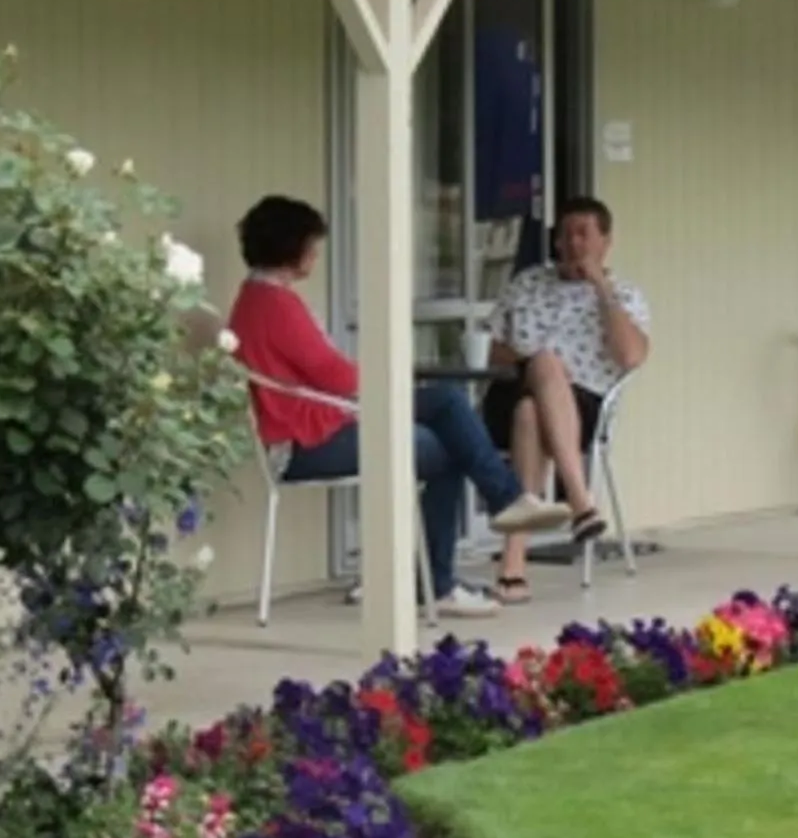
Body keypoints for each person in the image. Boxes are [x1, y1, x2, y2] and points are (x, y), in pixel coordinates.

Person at [228, 195, 570, 619]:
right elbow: (337, 377)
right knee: (446, 448)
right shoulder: (277, 305)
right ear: (290, 247)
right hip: (303, 445)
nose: (316, 255)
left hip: (312, 429)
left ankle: (501, 508)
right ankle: (443, 577)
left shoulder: (253, 298)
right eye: (312, 246)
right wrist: (388, 373)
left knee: (446, 404)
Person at [482, 197, 650, 604]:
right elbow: (493, 352)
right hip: (508, 390)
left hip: (584, 406)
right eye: (565, 234)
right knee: (541, 369)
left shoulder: (624, 295)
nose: (573, 243)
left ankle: (514, 563)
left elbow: (630, 357)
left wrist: (601, 289)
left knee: (530, 413)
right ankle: (580, 501)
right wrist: (535, 361)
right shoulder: (528, 283)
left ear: (605, 241)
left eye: (584, 234)